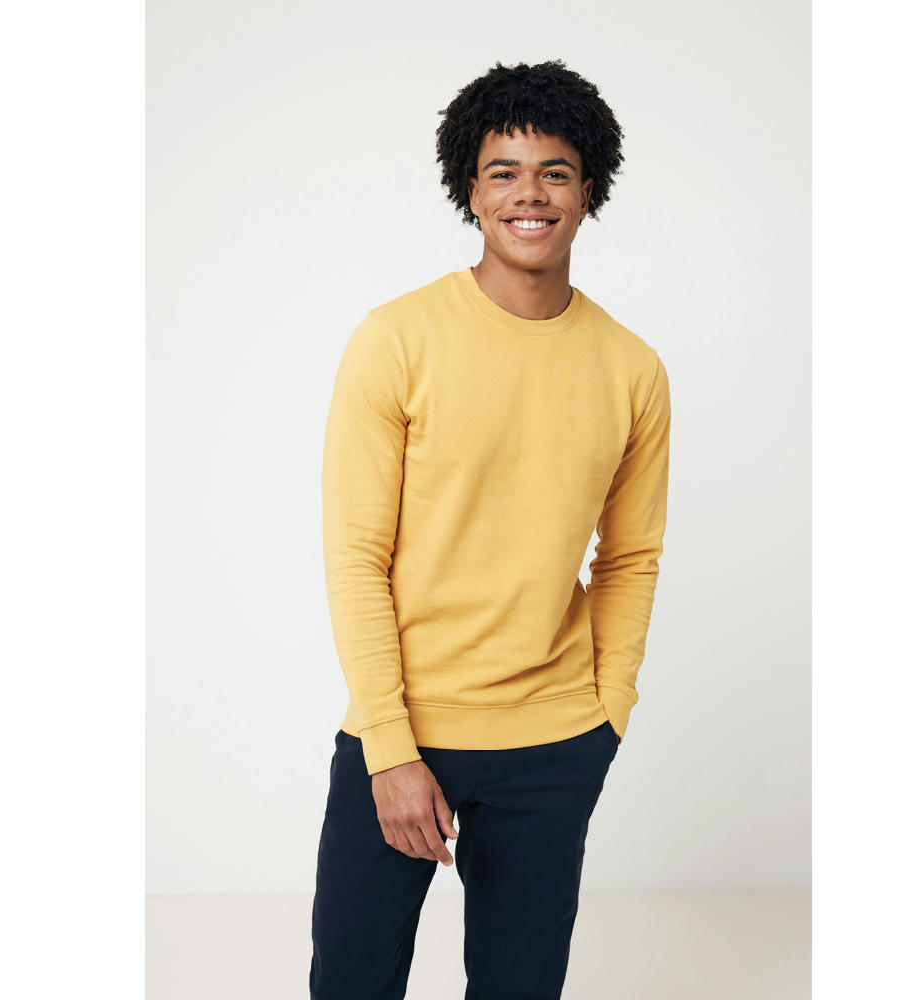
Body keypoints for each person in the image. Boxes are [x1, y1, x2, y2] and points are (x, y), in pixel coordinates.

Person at [309, 58, 671, 1000]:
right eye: (503, 171)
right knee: (351, 983)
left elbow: (631, 555)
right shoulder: (397, 339)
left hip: (555, 742)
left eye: (555, 172)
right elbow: (356, 557)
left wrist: (609, 712)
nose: (530, 194)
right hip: (401, 731)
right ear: (469, 191)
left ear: (589, 189)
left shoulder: (632, 369)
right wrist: (391, 747)